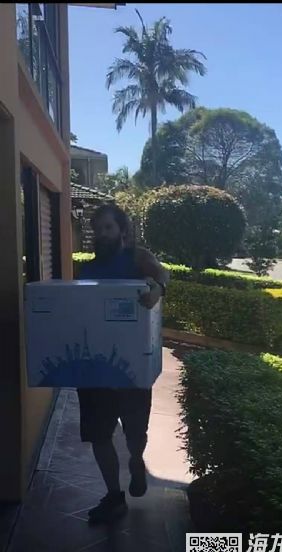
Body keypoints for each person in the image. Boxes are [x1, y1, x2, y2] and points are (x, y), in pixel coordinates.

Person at [77, 203, 169, 524]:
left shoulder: (136, 258)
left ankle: (136, 459)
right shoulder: (85, 271)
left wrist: (157, 289)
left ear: (121, 230)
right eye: (98, 228)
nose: (102, 234)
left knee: (135, 433)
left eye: (108, 227)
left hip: (132, 367)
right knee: (99, 434)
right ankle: (114, 497)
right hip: (94, 368)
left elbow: (162, 275)